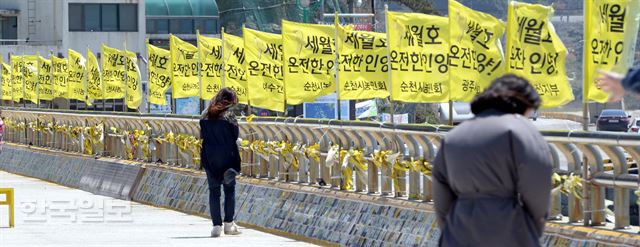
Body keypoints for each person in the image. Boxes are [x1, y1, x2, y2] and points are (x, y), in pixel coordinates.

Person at [433, 75, 553, 247]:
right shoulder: (519, 130)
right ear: (524, 103)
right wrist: (533, 228)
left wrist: (452, 228)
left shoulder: (453, 136)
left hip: (459, 228)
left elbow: (441, 195)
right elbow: (537, 188)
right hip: (509, 228)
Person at [200, 88, 242, 237]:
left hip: (210, 158)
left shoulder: (205, 116)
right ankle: (229, 225)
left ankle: (216, 227)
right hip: (228, 158)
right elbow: (235, 135)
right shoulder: (229, 116)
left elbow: (202, 136)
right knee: (229, 190)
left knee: (214, 191)